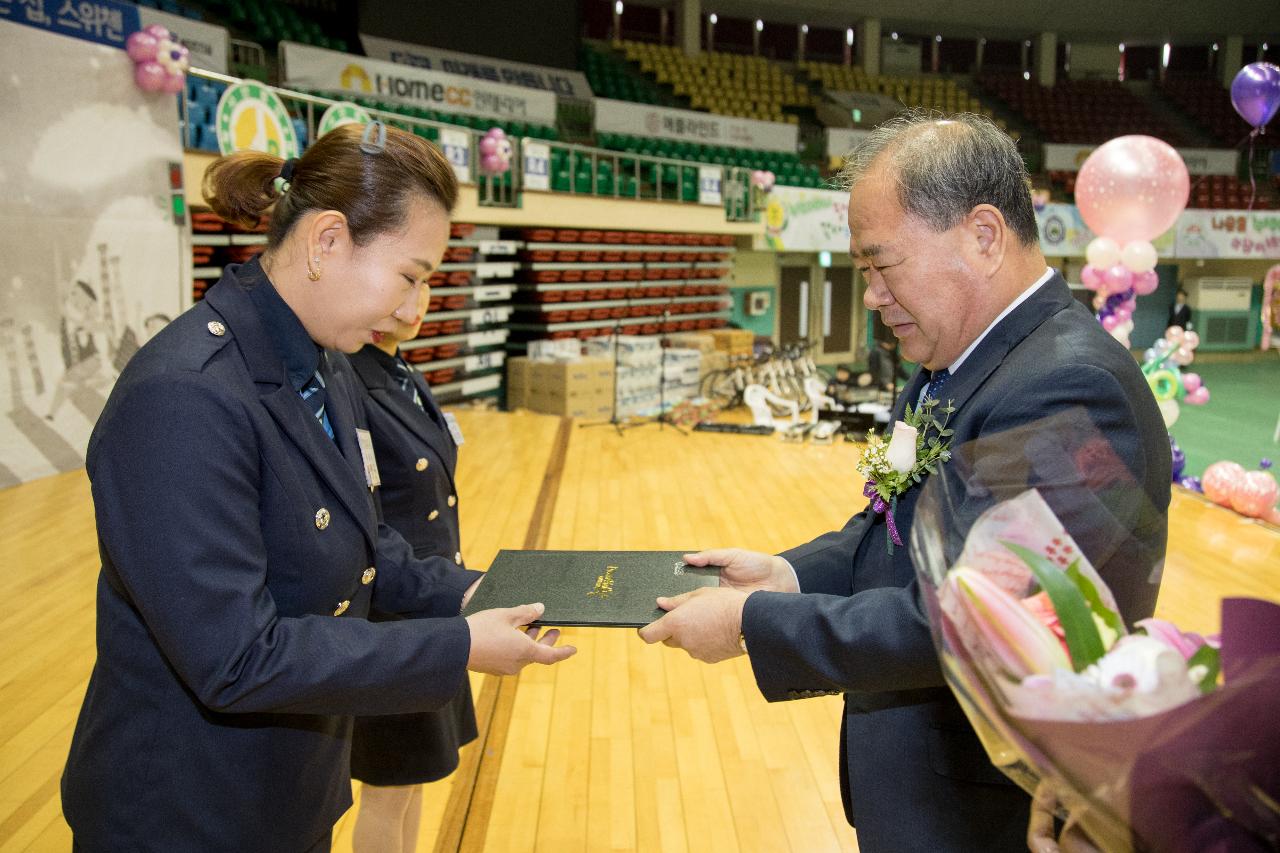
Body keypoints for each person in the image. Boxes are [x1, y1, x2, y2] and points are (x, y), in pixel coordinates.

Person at [639, 112, 1170, 852]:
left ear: (984, 235)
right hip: (921, 790)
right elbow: (887, 524)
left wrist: (749, 623)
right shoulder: (940, 370)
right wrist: (789, 573)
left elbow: (974, 624)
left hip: (990, 817)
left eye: (881, 265)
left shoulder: (1068, 385)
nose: (873, 297)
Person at [61, 123, 575, 853]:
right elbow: (237, 657)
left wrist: (474, 591)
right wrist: (456, 643)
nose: (415, 302)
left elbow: (368, 547)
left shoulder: (325, 360)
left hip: (292, 794)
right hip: (185, 814)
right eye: (411, 274)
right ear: (327, 241)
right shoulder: (183, 397)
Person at [344, 286, 477, 852]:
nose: (414, 301)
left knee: (416, 776)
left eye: (424, 283)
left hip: (430, 602)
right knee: (388, 786)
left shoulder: (398, 369)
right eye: (401, 283)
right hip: (397, 615)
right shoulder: (352, 379)